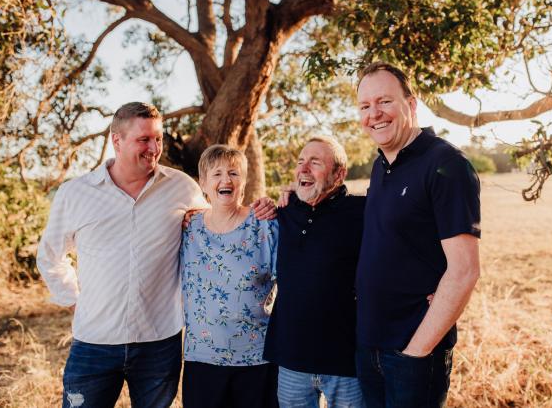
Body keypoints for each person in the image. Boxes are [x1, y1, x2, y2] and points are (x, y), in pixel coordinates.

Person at [36, 102, 274, 408]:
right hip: (94, 343)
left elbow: (217, 221)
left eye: (158, 139)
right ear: (116, 141)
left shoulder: (180, 187)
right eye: (144, 139)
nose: (154, 147)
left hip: (159, 345)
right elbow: (49, 256)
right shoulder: (76, 193)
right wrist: (73, 300)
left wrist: (260, 210)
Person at [354, 62, 481, 408]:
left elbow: (465, 269)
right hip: (369, 346)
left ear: (411, 105)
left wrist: (416, 352)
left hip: (412, 354)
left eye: (384, 102)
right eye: (365, 106)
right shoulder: (381, 165)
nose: (374, 114)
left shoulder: (447, 165)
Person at [264, 136, 365, 408]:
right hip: (292, 358)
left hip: (346, 360)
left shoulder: (363, 212)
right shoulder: (284, 211)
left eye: (315, 162)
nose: (304, 168)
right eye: (300, 162)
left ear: (339, 174)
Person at [180, 144, 279, 408]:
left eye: (234, 173)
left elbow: (293, 283)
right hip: (202, 359)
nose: (226, 180)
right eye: (217, 174)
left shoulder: (265, 224)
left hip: (257, 358)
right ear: (202, 183)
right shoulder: (188, 229)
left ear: (244, 182)